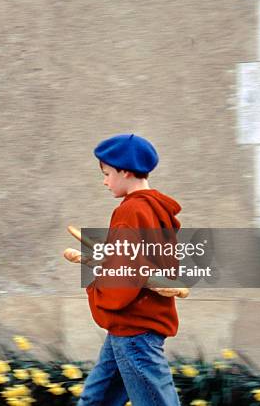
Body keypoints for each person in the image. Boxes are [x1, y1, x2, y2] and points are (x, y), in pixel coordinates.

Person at [64, 133, 183, 406]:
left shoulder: (130, 211)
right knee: (97, 399)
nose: (104, 182)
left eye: (107, 174)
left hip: (134, 326)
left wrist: (97, 287)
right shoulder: (158, 209)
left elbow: (125, 273)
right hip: (135, 323)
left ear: (126, 171)